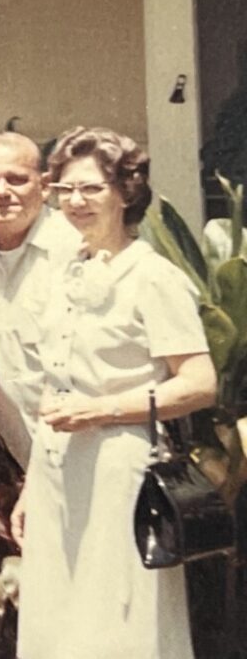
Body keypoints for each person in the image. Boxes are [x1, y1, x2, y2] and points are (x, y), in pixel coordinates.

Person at [12, 127, 216, 658]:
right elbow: (56, 388)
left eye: (93, 189)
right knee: (59, 619)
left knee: (117, 617)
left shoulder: (152, 276)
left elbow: (198, 383)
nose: (76, 202)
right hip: (60, 470)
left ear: (126, 193)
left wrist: (102, 410)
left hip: (121, 471)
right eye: (66, 190)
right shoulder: (65, 272)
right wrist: (32, 484)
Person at [0, 132, 81, 469]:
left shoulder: (78, 250)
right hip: (30, 470)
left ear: (44, 185)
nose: (2, 192)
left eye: (17, 179)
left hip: (96, 464)